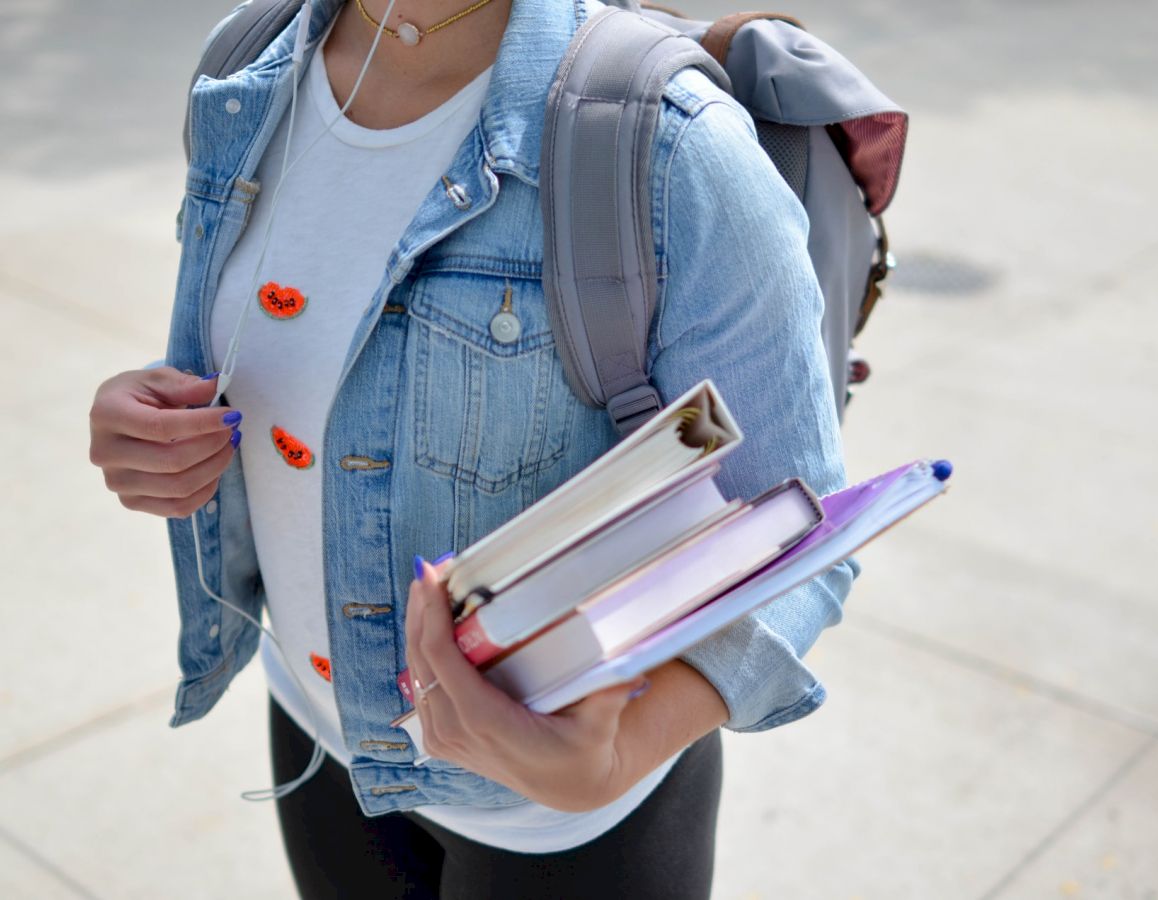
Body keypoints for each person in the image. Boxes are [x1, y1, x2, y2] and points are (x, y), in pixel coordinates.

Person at [88, 0, 855, 895]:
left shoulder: (670, 145)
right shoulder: (246, 66)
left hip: (565, 825)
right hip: (317, 731)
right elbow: (296, 343)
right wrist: (154, 416)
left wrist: (614, 757)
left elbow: (796, 529)